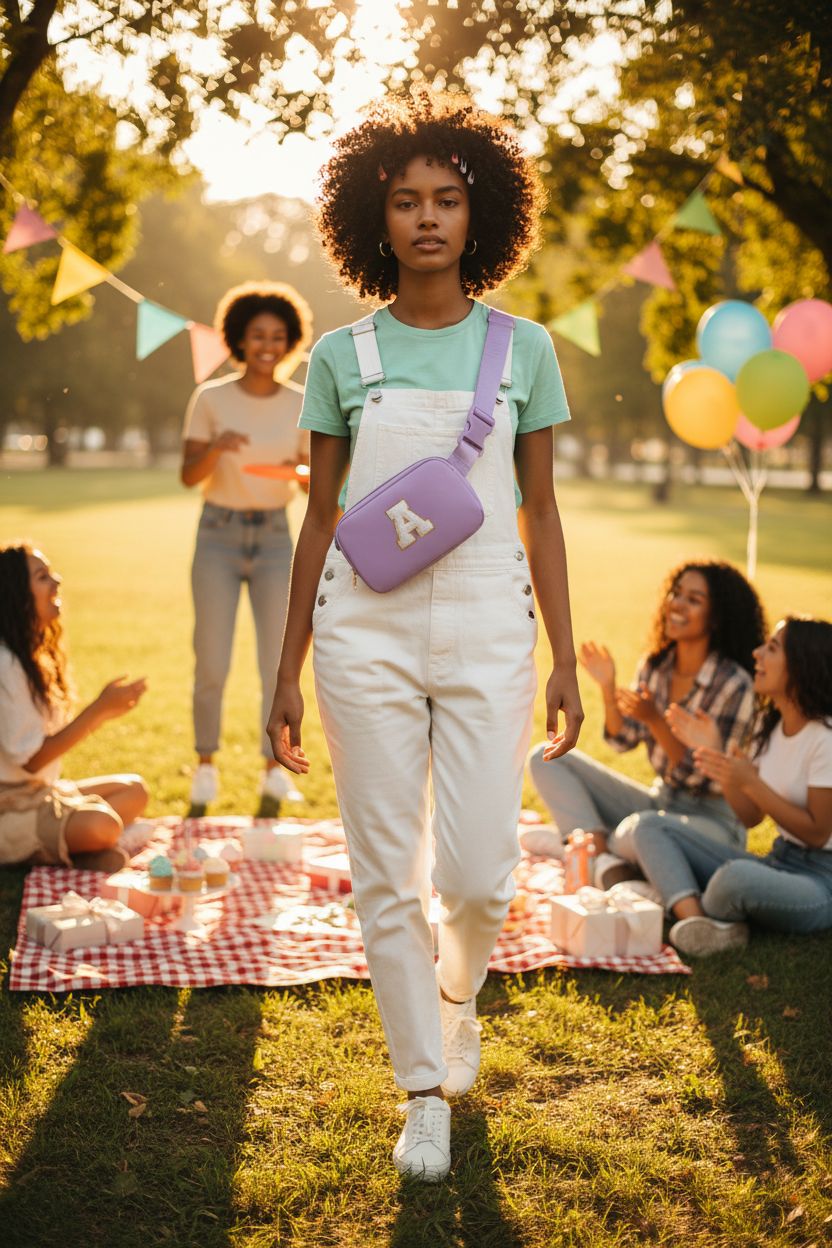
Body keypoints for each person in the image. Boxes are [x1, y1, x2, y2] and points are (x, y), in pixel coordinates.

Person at [266, 92, 582, 1180]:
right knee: (383, 871)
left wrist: (562, 659)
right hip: (365, 630)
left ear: (479, 211)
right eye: (404, 201)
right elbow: (318, 515)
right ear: (375, 217)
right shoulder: (341, 356)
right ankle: (420, 1091)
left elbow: (540, 510)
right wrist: (286, 671)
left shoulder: (526, 348)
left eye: (446, 198)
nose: (426, 219)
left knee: (485, 872)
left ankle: (456, 1000)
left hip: (494, 621)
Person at [528, 561, 766, 888]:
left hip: (713, 819)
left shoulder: (734, 685)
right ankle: (602, 859)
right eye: (676, 593)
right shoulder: (658, 666)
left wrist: (655, 720)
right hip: (662, 800)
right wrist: (609, 691)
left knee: (638, 831)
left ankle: (584, 845)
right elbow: (621, 740)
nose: (677, 604)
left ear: (717, 617)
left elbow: (701, 771)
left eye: (694, 599)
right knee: (546, 757)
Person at [181, 281, 312, 809]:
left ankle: (272, 769)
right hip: (218, 534)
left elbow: (312, 481)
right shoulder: (211, 398)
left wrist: (297, 472)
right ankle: (206, 764)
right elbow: (189, 475)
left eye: (278, 336)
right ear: (238, 338)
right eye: (257, 335)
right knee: (210, 660)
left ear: (290, 342)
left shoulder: (303, 402)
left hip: (276, 539)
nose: (267, 345)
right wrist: (217, 447)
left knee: (275, 663)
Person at [631, 616, 832, 956]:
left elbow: (817, 833)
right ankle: (697, 922)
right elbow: (751, 816)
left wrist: (751, 781)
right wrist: (726, 768)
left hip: (820, 882)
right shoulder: (770, 728)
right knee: (649, 826)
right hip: (779, 861)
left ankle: (677, 896)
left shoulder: (825, 738)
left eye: (771, 648)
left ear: (801, 664)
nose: (756, 654)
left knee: (734, 879)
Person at [0, 544, 148, 872]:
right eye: (42, 577)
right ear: (15, 595)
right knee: (101, 826)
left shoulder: (33, 655)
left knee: (135, 790)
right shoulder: (5, 663)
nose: (57, 581)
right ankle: (74, 849)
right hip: (9, 805)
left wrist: (105, 712)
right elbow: (33, 759)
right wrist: (97, 710)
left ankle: (77, 850)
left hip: (40, 793)